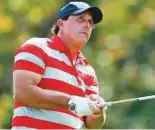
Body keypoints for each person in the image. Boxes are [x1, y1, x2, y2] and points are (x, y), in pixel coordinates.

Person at [11, 1, 107, 129]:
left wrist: (98, 111)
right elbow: (23, 93)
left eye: (90, 22)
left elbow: (91, 124)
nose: (87, 25)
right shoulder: (38, 47)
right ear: (61, 24)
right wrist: (70, 101)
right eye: (80, 19)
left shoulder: (88, 71)